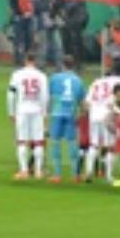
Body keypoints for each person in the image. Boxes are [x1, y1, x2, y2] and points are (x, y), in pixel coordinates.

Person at [82, 69, 120, 184]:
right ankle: (108, 176)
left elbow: (86, 103)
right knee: (110, 147)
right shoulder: (118, 80)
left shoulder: (95, 82)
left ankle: (88, 172)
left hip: (94, 116)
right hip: (107, 117)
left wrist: (90, 112)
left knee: (93, 145)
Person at [7, 53, 50, 180]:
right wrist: (45, 113)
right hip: (36, 110)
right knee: (38, 142)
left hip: (22, 110)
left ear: (25, 60)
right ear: (35, 61)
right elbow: (45, 96)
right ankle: (38, 171)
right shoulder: (41, 76)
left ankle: (24, 171)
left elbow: (11, 94)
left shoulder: (17, 75)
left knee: (21, 141)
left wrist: (11, 112)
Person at [47, 56, 86, 184]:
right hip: (71, 113)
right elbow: (82, 101)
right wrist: (81, 114)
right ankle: (75, 174)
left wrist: (47, 113)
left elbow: (49, 96)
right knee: (72, 142)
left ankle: (57, 174)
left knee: (55, 141)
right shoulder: (78, 80)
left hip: (57, 112)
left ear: (62, 65)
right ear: (73, 65)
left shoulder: (54, 78)